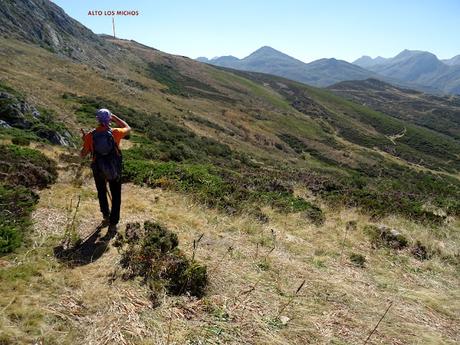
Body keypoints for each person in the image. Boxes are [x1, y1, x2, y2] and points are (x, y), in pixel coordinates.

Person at [80, 109, 131, 232]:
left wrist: (85, 140)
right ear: (109, 119)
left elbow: (83, 154)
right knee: (116, 195)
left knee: (102, 192)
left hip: (98, 168)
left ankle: (105, 216)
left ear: (97, 119)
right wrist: (115, 117)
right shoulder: (115, 132)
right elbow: (128, 127)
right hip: (114, 168)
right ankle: (113, 224)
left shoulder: (90, 135)